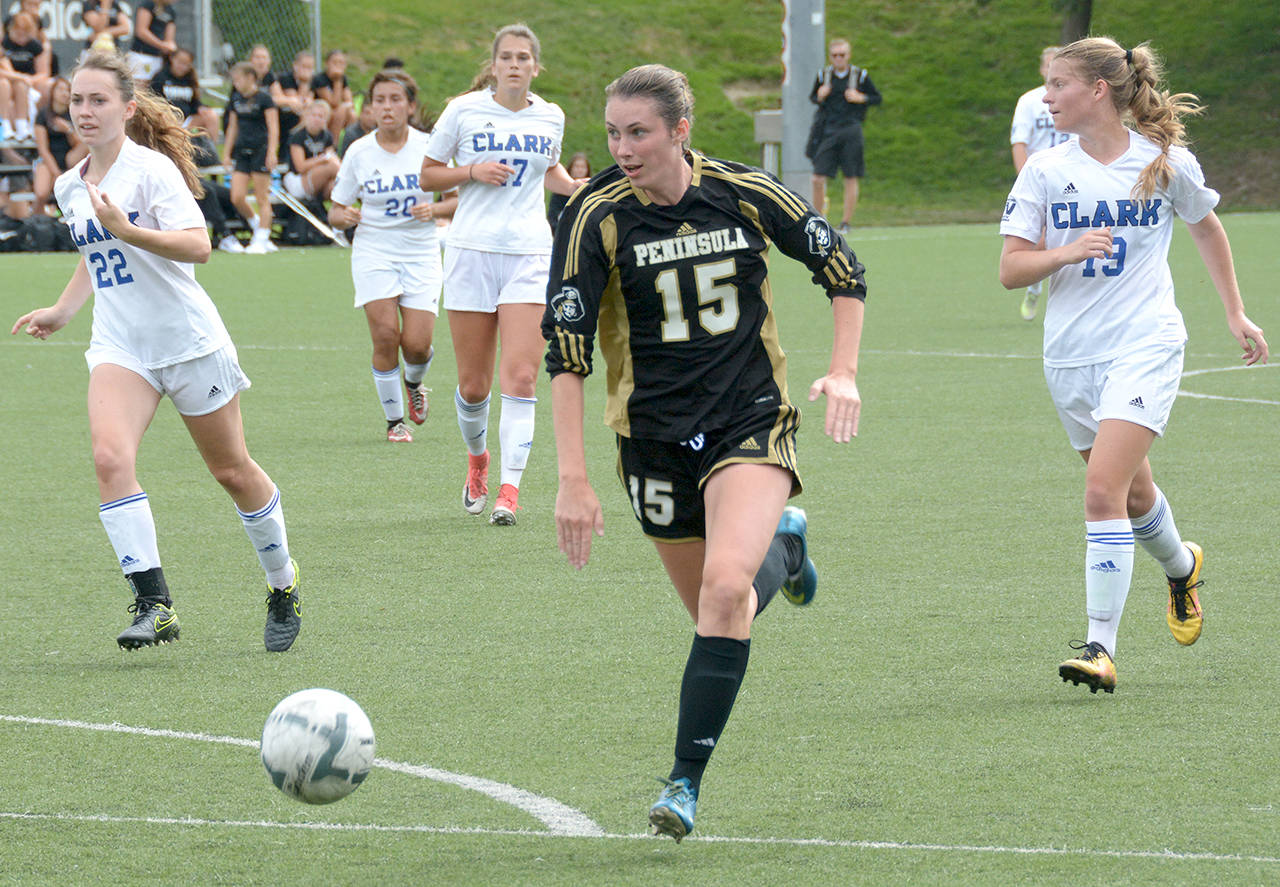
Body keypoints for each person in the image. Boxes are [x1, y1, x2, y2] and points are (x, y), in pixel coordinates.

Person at [545, 63, 866, 841]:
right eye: (614, 132)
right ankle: (785, 552)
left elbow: (842, 267)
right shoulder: (594, 216)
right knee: (719, 612)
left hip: (747, 421)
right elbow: (566, 347)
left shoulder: (745, 191)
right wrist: (573, 477)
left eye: (639, 132)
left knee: (724, 593)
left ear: (680, 131)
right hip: (650, 439)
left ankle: (684, 782)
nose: (622, 147)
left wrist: (844, 369)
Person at [998, 37, 1268, 695]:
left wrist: (1235, 312)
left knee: (1101, 491)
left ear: (1096, 90)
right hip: (1070, 356)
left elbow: (1206, 225)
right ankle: (1182, 566)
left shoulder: (1164, 162)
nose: (1047, 97)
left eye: (1058, 84)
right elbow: (1010, 269)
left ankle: (1100, 646)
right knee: (1135, 493)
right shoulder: (1043, 170)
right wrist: (1063, 254)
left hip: (1145, 343)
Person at [10, 50, 302, 653]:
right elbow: (95, 257)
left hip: (188, 342)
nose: (85, 112)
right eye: (76, 101)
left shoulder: (152, 171)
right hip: (121, 346)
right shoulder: (71, 183)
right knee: (109, 458)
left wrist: (131, 230)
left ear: (126, 107)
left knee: (232, 471)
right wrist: (63, 310)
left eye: (98, 100)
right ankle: (154, 603)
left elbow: (199, 247)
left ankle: (282, 583)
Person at [420, 22, 584, 525]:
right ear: (494, 66)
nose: (515, 64)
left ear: (536, 67)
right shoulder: (464, 110)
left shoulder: (550, 116)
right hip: (470, 252)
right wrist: (472, 171)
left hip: (531, 254)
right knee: (474, 387)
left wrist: (577, 188)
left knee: (522, 376)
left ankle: (509, 491)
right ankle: (478, 463)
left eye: (523, 58)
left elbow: (548, 172)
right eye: (507, 57)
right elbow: (428, 175)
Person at [329, 70, 456, 443]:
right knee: (386, 336)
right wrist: (346, 215)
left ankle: (414, 382)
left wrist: (434, 211)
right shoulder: (359, 151)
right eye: (379, 100)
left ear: (410, 106)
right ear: (370, 108)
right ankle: (394, 421)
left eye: (395, 99)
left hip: (420, 252)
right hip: (374, 252)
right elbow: (335, 210)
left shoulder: (430, 148)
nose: (387, 107)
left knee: (416, 345)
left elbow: (458, 200)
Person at [1010, 45, 1071, 321]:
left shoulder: (1073, 98)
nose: (1050, 70)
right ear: (1041, 69)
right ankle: (1034, 287)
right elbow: (1019, 143)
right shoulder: (1029, 101)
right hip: (1041, 180)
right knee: (1040, 239)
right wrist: (1026, 180)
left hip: (1072, 178)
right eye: (1048, 65)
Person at [806, 37, 880, 234]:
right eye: (834, 55)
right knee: (817, 178)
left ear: (849, 55)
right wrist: (820, 95)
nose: (838, 59)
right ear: (830, 56)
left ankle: (846, 222)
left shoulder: (860, 76)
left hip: (851, 129)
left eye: (842, 55)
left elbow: (876, 98)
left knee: (850, 176)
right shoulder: (824, 76)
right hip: (828, 129)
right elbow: (813, 97)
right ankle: (820, 220)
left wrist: (860, 97)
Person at [221, 61, 279, 254]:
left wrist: (272, 152)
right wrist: (227, 153)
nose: (235, 83)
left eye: (238, 79)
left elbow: (273, 127)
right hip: (242, 152)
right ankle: (259, 228)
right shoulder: (236, 99)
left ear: (250, 78)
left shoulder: (264, 99)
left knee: (262, 197)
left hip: (260, 151)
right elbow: (232, 127)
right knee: (237, 197)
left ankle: (261, 240)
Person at [32, 75, 86, 210]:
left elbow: (78, 144)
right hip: (48, 158)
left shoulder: (74, 114)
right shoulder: (43, 114)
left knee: (88, 143)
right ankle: (37, 220)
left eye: (67, 90)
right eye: (60, 89)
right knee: (41, 193)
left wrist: (68, 130)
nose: (64, 93)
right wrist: (57, 174)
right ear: (53, 92)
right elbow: (42, 149)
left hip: (69, 157)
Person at [148, 46, 221, 139]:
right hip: (166, 120)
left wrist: (200, 107)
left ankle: (212, 150)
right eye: (180, 62)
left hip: (187, 120)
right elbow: (153, 101)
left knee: (211, 116)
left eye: (186, 64)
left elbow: (194, 102)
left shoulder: (190, 79)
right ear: (172, 59)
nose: (182, 67)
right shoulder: (160, 77)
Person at [1, 11, 51, 140]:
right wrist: (20, 77)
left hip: (25, 82)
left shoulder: (35, 46)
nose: (21, 38)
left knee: (21, 86)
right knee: (4, 85)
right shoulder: (4, 44)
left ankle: (22, 126)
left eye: (25, 34)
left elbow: (44, 72)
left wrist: (28, 80)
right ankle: (5, 125)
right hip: (7, 80)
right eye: (18, 33)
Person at [284, 99, 339, 202]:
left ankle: (326, 213)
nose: (316, 119)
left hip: (317, 177)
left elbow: (333, 158)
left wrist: (327, 160)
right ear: (307, 116)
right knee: (332, 167)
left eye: (320, 116)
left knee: (333, 186)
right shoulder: (297, 136)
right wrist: (322, 159)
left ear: (326, 120)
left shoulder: (327, 136)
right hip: (297, 180)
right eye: (314, 115)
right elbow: (300, 167)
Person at [125, 0, 176, 85]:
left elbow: (170, 38)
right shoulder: (148, 4)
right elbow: (141, 31)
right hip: (141, 54)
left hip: (158, 57)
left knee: (155, 87)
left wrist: (170, 46)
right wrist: (161, 45)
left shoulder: (171, 11)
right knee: (139, 87)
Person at [311, 49, 354, 141]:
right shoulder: (320, 79)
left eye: (341, 63)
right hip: (322, 111)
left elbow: (349, 101)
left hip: (337, 112)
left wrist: (347, 106)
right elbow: (333, 103)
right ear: (327, 63)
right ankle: (334, 144)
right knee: (341, 110)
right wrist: (337, 82)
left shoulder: (343, 78)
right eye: (334, 62)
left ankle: (350, 144)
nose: (338, 65)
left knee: (352, 114)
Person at [274, 50, 315, 140]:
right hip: (285, 112)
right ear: (295, 66)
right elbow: (297, 102)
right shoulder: (286, 78)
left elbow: (309, 100)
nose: (307, 71)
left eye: (310, 68)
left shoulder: (313, 80)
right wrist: (304, 83)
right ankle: (297, 139)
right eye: (304, 67)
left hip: (300, 113)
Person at [545, 149, 588, 231]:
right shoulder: (559, 192)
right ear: (570, 168)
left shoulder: (591, 191)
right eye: (577, 166)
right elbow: (552, 219)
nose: (580, 170)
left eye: (583, 167)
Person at [338, 93, 373, 157]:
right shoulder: (351, 133)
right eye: (367, 113)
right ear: (361, 114)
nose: (371, 117)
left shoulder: (378, 132)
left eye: (374, 114)